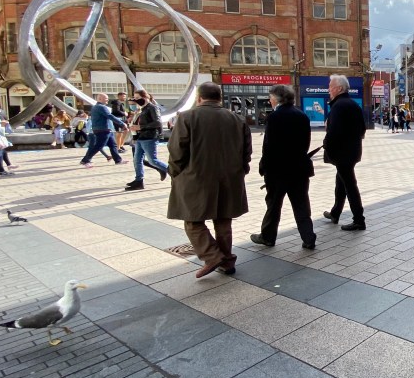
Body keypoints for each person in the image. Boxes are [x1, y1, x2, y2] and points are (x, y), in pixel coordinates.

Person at [167, 82, 252, 278]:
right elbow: (247, 151)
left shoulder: (187, 117)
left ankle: (212, 256)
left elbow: (177, 150)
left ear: (199, 97)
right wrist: (240, 171)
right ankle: (227, 261)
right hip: (229, 177)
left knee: (192, 220)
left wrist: (175, 171)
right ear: (219, 98)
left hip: (196, 177)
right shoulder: (236, 119)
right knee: (223, 220)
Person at [251, 85, 316, 249]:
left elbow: (269, 147)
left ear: (277, 99)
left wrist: (263, 166)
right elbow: (305, 144)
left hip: (278, 171)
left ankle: (268, 236)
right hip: (299, 169)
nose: (270, 100)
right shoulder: (302, 116)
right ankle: (308, 237)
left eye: (271, 97)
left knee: (273, 205)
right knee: (301, 204)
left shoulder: (274, 117)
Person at [322, 74, 366, 231]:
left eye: (331, 86)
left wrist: (327, 146)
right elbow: (362, 129)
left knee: (350, 185)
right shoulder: (353, 104)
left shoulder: (339, 106)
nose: (329, 89)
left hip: (342, 154)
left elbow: (333, 132)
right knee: (341, 183)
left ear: (339, 88)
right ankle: (335, 213)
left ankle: (359, 220)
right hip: (352, 152)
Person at [125, 89, 169, 191]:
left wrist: (140, 127)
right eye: (134, 98)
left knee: (152, 160)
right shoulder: (142, 109)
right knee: (137, 160)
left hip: (149, 137)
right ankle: (139, 180)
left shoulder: (152, 108)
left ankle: (174, 172)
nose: (135, 100)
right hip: (141, 137)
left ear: (145, 97)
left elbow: (157, 123)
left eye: (137, 98)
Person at [79, 93, 125, 168]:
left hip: (105, 129)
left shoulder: (95, 107)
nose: (108, 100)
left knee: (113, 145)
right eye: (106, 98)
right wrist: (122, 124)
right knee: (98, 146)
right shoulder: (101, 107)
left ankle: (118, 160)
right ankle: (85, 160)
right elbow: (110, 116)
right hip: (102, 129)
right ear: (100, 99)